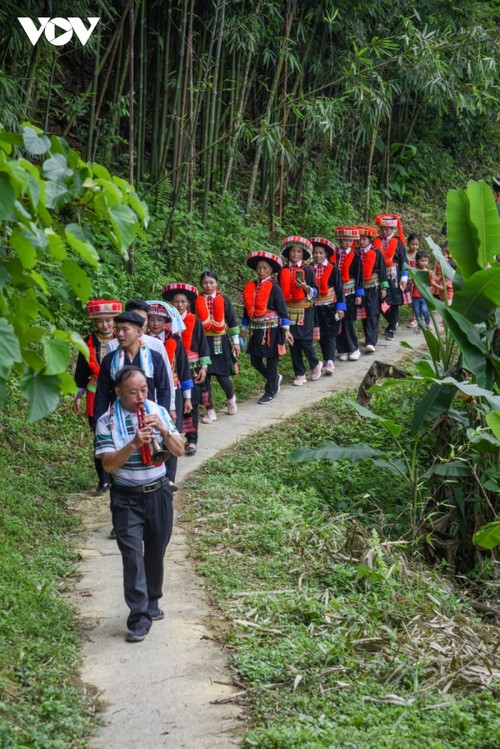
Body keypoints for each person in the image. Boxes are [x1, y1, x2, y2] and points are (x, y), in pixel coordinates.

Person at [95, 366, 185, 643]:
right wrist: (133, 444)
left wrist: (164, 432)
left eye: (143, 389)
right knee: (132, 554)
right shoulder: (106, 421)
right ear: (119, 392)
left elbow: (179, 450)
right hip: (125, 496)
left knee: (156, 548)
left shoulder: (155, 409)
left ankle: (153, 598)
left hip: (158, 491)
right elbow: (108, 465)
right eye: (133, 391)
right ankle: (138, 618)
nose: (140, 396)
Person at [74, 298, 122, 492]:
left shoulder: (122, 338)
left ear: (114, 320)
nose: (105, 325)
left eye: (109, 320)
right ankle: (103, 479)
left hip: (119, 392)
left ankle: (119, 475)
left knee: (119, 434)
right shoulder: (88, 341)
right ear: (94, 322)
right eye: (100, 321)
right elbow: (82, 370)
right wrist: (78, 395)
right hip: (95, 393)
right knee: (99, 437)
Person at [93, 311, 173, 426]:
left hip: (148, 418)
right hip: (118, 421)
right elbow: (102, 395)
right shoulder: (109, 360)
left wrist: (161, 419)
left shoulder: (154, 358)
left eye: (125, 329)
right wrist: (98, 424)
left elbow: (164, 391)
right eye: (118, 329)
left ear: (139, 332)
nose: (119, 334)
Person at [147, 300, 193, 487]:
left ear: (166, 321)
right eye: (151, 319)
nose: (155, 323)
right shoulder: (143, 341)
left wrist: (187, 397)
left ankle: (171, 478)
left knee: (171, 432)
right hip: (150, 392)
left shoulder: (175, 341)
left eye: (160, 319)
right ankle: (153, 473)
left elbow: (183, 369)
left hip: (173, 392)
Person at [162, 283, 211, 456]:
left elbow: (204, 343)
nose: (180, 305)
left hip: (193, 366)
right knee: (176, 403)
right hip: (174, 369)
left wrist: (204, 366)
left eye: (183, 302)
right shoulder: (166, 323)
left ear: (188, 303)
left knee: (193, 404)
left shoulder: (194, 320)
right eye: (176, 302)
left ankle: (192, 440)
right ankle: (176, 439)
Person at [106, 299, 176, 415]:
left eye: (143, 319)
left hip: (151, 407)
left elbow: (166, 379)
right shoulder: (113, 345)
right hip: (119, 409)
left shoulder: (156, 345)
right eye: (135, 317)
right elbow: (106, 387)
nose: (140, 322)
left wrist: (170, 408)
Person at [242, 251, 293, 403]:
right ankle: (274, 378)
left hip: (272, 330)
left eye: (265, 268)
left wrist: (286, 330)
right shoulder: (252, 286)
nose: (262, 271)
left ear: (271, 270)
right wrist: (243, 328)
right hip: (256, 330)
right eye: (259, 268)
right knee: (255, 360)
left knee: (271, 360)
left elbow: (282, 310)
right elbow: (247, 309)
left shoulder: (275, 287)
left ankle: (270, 390)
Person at [195, 271, 240, 421]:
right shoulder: (195, 301)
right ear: (201, 285)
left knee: (223, 376)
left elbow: (232, 321)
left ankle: (231, 399)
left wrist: (236, 342)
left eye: (211, 282)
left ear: (217, 284)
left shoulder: (224, 300)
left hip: (220, 341)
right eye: (205, 283)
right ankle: (210, 410)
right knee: (204, 378)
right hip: (202, 342)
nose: (208, 286)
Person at [278, 235, 321, 385]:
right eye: (293, 251)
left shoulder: (307, 270)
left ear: (303, 254)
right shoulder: (282, 269)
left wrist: (305, 287)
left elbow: (315, 290)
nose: (295, 254)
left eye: (298, 252)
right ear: (289, 253)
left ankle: (315, 364)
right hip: (288, 310)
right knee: (292, 342)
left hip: (304, 310)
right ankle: (299, 373)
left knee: (305, 342)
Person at [309, 237, 346, 374]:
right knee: (320, 334)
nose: (318, 255)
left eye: (321, 253)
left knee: (330, 334)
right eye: (316, 253)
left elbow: (339, 288)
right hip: (315, 307)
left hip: (330, 306)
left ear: (326, 254)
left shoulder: (333, 269)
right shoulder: (309, 269)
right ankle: (325, 359)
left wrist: (340, 307)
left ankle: (330, 362)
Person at [373, 213, 408, 341]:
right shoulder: (376, 242)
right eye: (382, 229)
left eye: (387, 229)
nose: (384, 231)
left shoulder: (398, 243)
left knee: (394, 302)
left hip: (394, 274)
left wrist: (404, 278)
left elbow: (404, 261)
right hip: (379, 275)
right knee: (379, 300)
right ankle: (392, 321)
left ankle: (392, 327)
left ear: (392, 229)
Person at [356, 226, 388, 353]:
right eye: (360, 239)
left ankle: (371, 341)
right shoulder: (356, 252)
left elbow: (382, 269)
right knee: (363, 313)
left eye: (364, 239)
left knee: (373, 313)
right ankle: (368, 338)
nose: (362, 242)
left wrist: (384, 287)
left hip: (374, 286)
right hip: (360, 287)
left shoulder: (376, 252)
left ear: (370, 240)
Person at [334, 226, 363, 361]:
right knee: (337, 320)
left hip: (350, 291)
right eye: (344, 240)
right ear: (339, 240)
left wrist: (359, 294)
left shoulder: (355, 254)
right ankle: (343, 349)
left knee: (348, 321)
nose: (347, 243)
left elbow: (359, 274)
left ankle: (354, 348)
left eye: (350, 241)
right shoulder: (334, 254)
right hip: (336, 292)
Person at [412, 251, 432, 328]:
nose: (424, 263)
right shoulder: (414, 271)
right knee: (417, 312)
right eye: (422, 261)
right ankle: (420, 325)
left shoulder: (428, 272)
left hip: (425, 295)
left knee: (425, 310)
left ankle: (428, 323)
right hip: (415, 295)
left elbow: (430, 283)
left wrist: (430, 276)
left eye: (426, 261)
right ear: (417, 261)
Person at [405, 233, 420, 328]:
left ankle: (415, 318)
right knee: (408, 300)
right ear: (408, 244)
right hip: (406, 280)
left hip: (416, 281)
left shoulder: (419, 255)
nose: (414, 246)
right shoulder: (404, 254)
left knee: (415, 299)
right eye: (412, 244)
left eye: (416, 244)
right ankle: (418, 315)